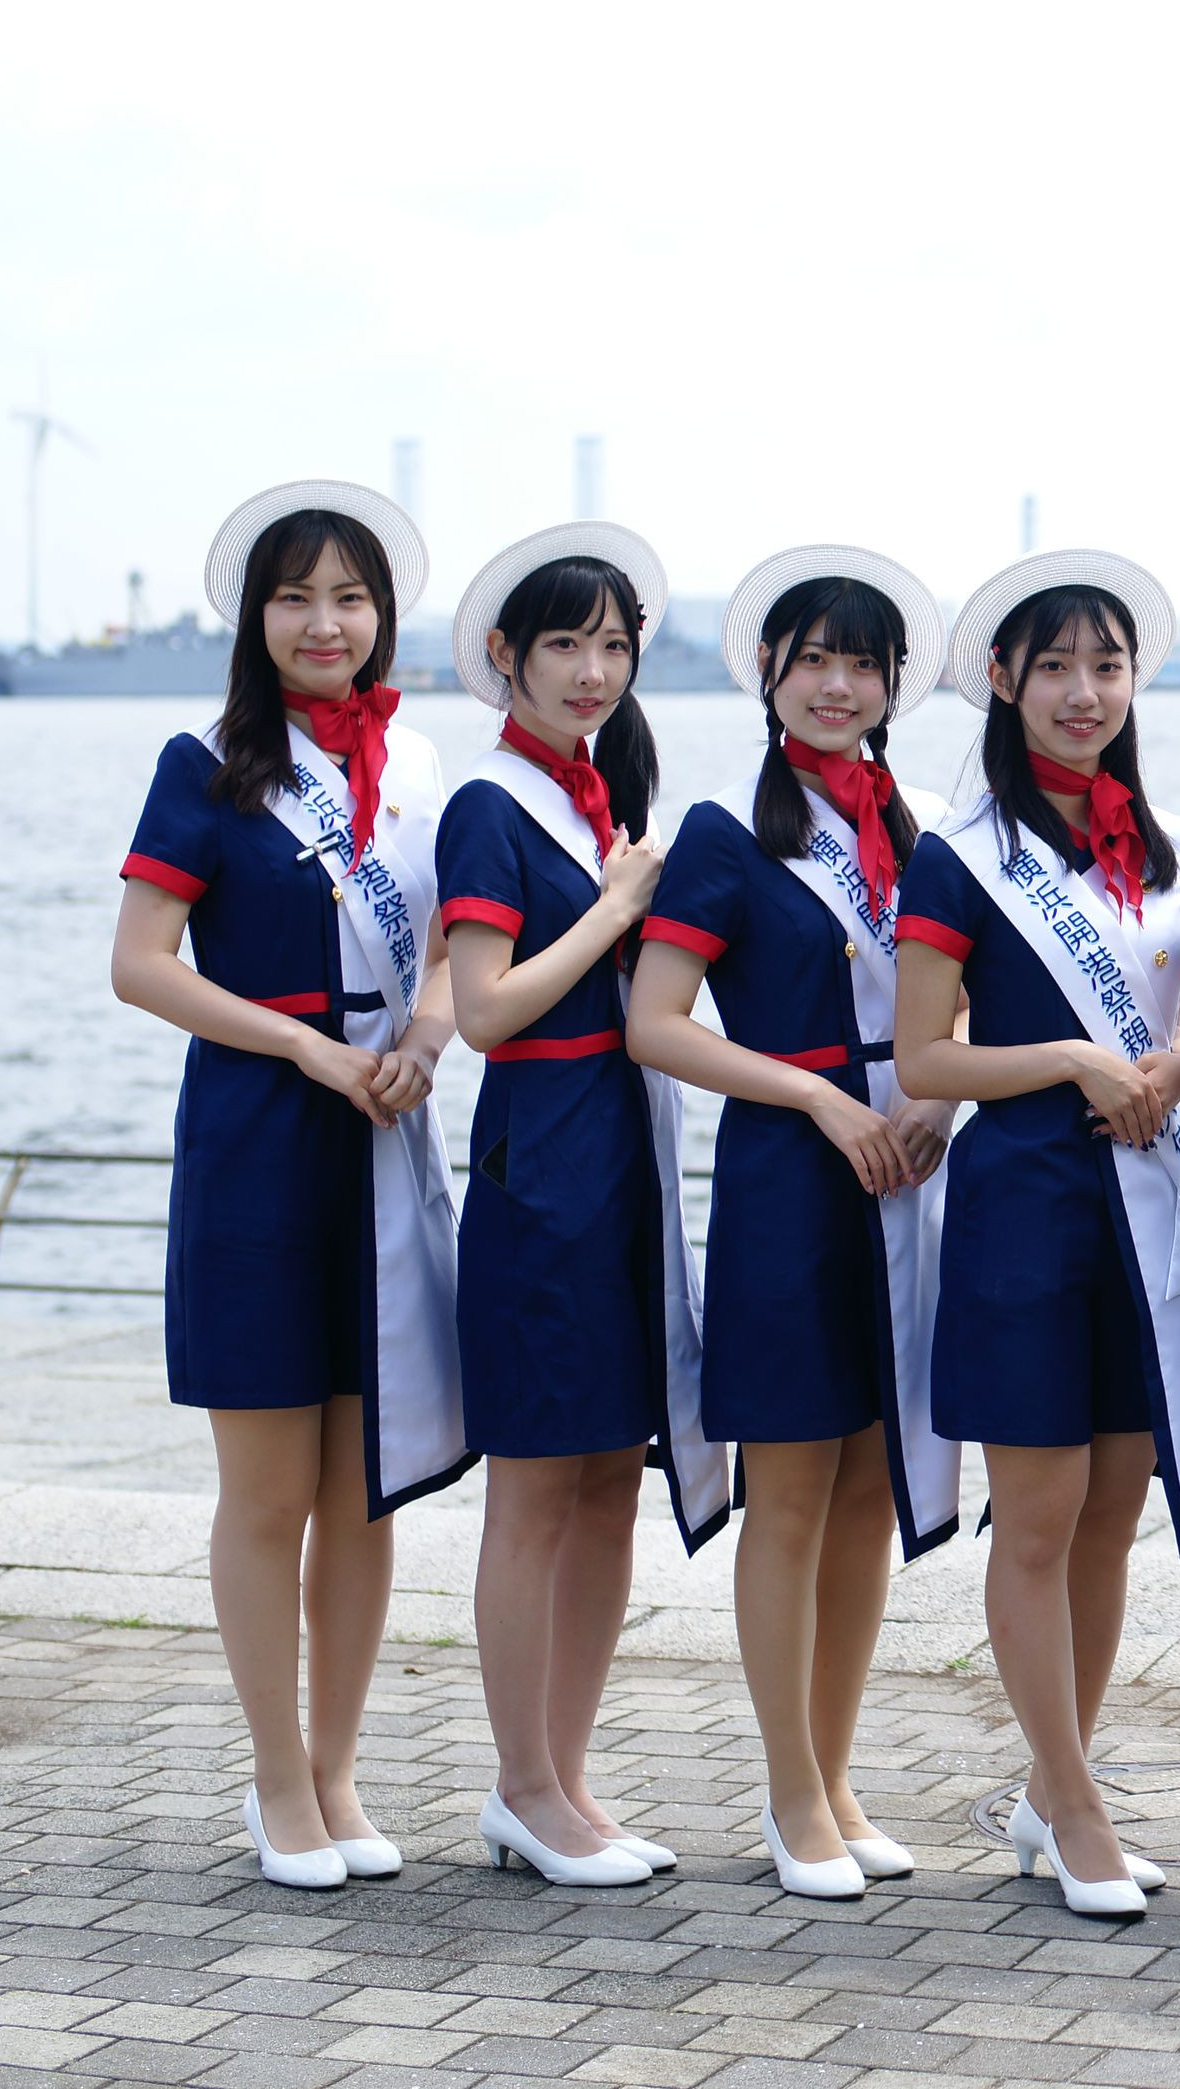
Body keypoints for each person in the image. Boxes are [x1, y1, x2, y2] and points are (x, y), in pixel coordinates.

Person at [110, 480, 467, 1890]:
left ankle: (337, 1770)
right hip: (259, 1141)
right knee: (268, 1492)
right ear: (254, 617)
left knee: (366, 1490)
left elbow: (456, 949)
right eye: (296, 597)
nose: (326, 623)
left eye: (351, 598)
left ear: (383, 616)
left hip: (383, 1134)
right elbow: (141, 965)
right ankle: (274, 1782)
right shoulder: (207, 762)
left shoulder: (421, 767)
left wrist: (427, 1035)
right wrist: (306, 1047)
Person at [893, 552, 1180, 1922]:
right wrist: (1073, 1061)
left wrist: (1172, 1068)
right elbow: (925, 1060)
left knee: (1113, 1508)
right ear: (1001, 681)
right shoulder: (960, 851)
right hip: (1023, 1210)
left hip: (1144, 1208)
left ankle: (1057, 1786)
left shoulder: (1169, 850)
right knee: (1036, 1516)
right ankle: (1078, 1809)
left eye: (1107, 666)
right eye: (1054, 668)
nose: (1083, 693)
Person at [626, 547, 963, 1900]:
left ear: (893, 684)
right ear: (766, 671)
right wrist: (820, 1098)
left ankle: (835, 1772)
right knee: (793, 1491)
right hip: (787, 1179)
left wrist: (938, 1104)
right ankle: (787, 1793)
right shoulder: (725, 832)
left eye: (862, 663)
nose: (838, 685)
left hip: (907, 1175)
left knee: (872, 1487)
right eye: (813, 659)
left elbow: (963, 1003)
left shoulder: (919, 835)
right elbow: (657, 1024)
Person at [436, 522, 729, 1890]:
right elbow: (485, 1010)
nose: (592, 669)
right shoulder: (488, 806)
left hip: (623, 1161)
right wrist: (615, 912)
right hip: (540, 1166)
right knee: (537, 1486)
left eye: (613, 645)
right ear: (506, 655)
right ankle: (520, 1784)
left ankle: (565, 1777)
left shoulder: (602, 798)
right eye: (564, 643)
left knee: (613, 1480)